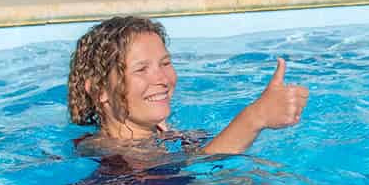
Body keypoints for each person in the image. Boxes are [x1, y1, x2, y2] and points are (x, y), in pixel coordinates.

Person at [67, 16, 308, 163]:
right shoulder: (110, 151)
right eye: (141, 70)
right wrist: (256, 117)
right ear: (100, 90)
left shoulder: (164, 135)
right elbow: (199, 174)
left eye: (165, 63)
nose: (161, 78)